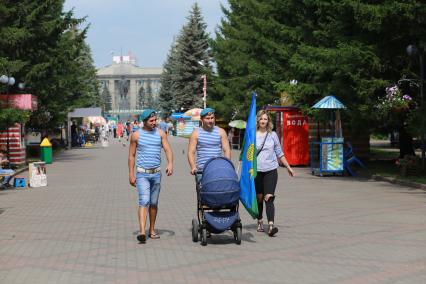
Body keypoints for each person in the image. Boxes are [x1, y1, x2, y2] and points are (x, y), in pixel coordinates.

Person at [128, 109, 173, 244]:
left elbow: (167, 149)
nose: (155, 123)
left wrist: (170, 163)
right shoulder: (136, 135)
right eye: (151, 121)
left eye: (155, 120)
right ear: (144, 122)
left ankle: (152, 230)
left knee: (153, 203)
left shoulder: (160, 133)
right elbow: (131, 156)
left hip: (157, 174)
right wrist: (131, 174)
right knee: (144, 201)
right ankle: (142, 231)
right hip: (142, 174)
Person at [255, 110, 295, 237]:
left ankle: (271, 226)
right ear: (257, 120)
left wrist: (288, 167)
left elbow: (279, 152)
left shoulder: (272, 135)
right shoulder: (252, 135)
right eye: (261, 119)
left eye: (265, 119)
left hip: (271, 170)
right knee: (259, 198)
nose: (263, 121)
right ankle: (260, 221)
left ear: (268, 121)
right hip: (256, 172)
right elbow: (248, 154)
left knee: (269, 197)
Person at [188, 108, 231, 178]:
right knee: (202, 188)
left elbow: (227, 150)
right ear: (201, 119)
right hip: (202, 170)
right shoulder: (196, 133)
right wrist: (193, 167)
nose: (210, 120)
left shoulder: (221, 132)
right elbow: (191, 152)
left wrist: (227, 165)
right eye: (207, 118)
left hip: (218, 169)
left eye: (212, 118)